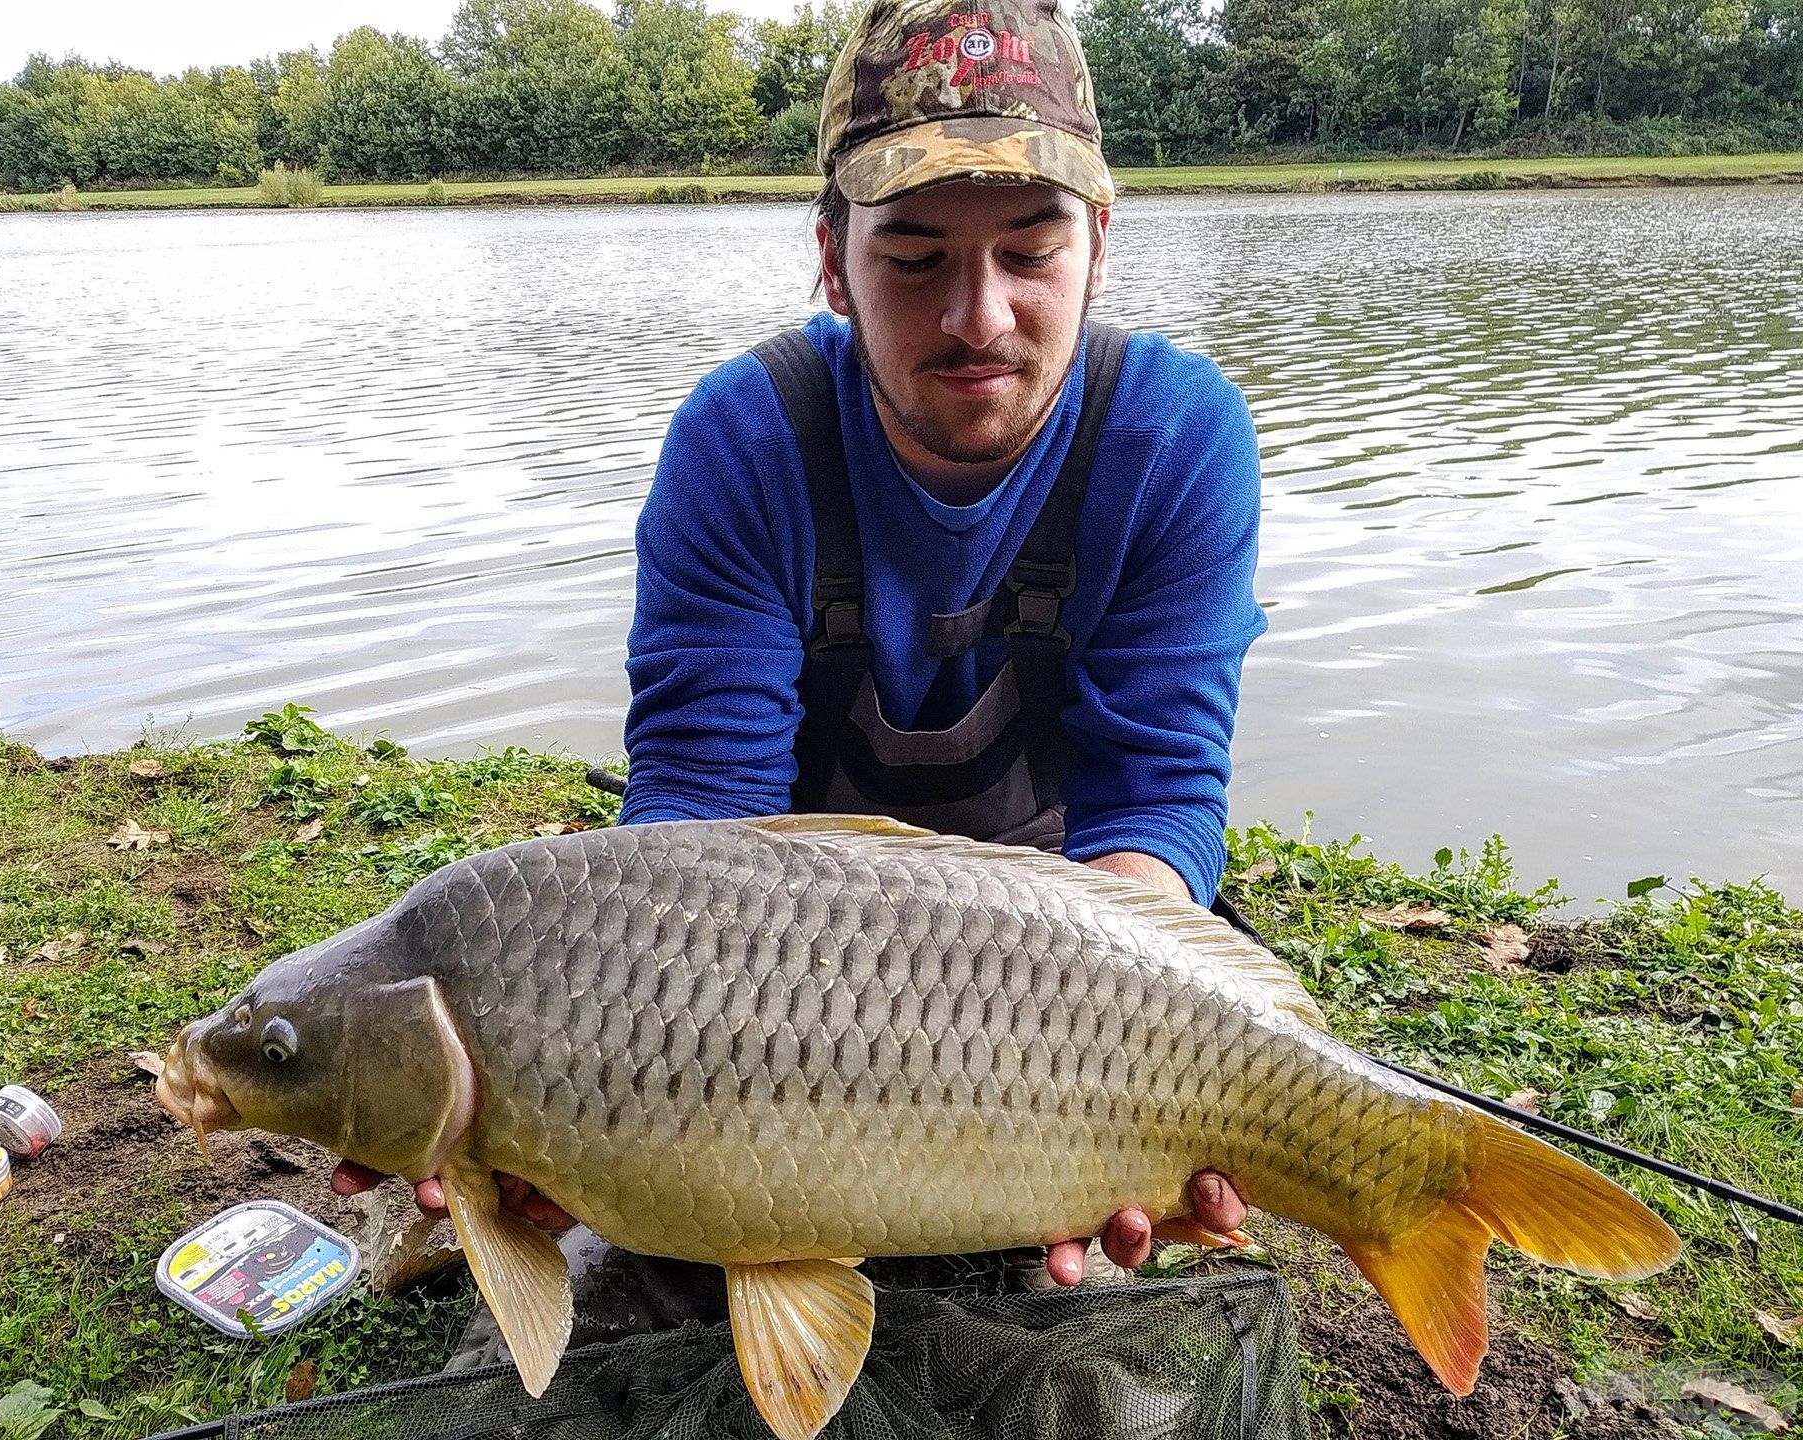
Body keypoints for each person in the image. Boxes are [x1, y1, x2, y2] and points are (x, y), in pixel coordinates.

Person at [336, 0, 1263, 1347]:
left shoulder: (1176, 436)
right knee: (642, 1251)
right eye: (913, 256)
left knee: (1093, 1264)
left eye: (1029, 250)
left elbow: (1157, 801)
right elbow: (695, 829)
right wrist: (588, 1100)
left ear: (1098, 249)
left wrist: (1106, 1066)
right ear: (831, 261)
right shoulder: (743, 440)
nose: (978, 313)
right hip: (770, 952)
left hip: (1069, 937)